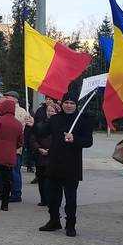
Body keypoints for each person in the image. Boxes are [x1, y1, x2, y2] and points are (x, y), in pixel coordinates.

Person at [39, 96, 93, 237]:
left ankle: (70, 225)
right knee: (52, 196)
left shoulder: (83, 119)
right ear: (61, 104)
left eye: (72, 103)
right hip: (54, 162)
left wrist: (75, 139)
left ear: (76, 105)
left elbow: (88, 141)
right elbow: (42, 132)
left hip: (72, 164)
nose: (69, 105)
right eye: (66, 103)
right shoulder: (55, 119)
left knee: (70, 198)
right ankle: (54, 220)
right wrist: (33, 124)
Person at [30, 98, 58, 207]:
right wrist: (38, 148)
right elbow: (33, 138)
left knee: (51, 180)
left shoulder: (59, 127)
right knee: (41, 178)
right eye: (49, 111)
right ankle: (44, 199)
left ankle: (52, 199)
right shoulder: (39, 124)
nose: (50, 113)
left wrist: (51, 150)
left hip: (53, 156)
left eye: (52, 111)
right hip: (41, 156)